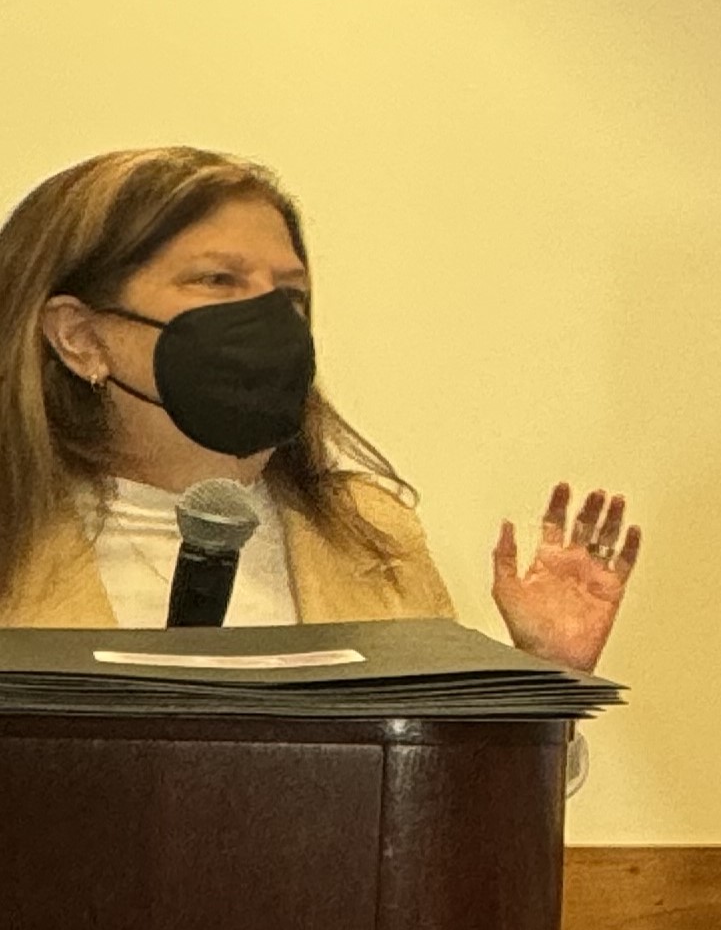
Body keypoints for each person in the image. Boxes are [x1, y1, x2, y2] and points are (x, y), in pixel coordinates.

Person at [0, 147, 639, 666]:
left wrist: (547, 676)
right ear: (81, 338)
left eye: (289, 293)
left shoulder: (374, 538)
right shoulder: (16, 541)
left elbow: (440, 795)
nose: (268, 318)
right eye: (218, 281)